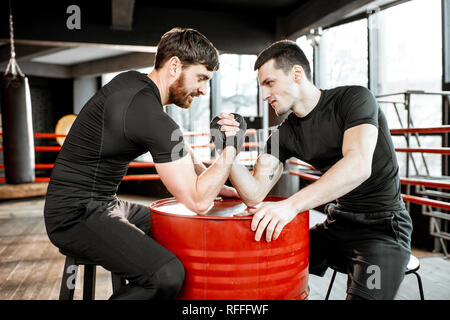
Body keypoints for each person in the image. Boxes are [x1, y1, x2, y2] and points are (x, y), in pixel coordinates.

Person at [44, 28, 246, 300]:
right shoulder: (150, 116)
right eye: (201, 78)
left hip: (105, 204)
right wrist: (231, 149)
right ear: (175, 65)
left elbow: (184, 153)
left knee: (183, 231)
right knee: (166, 276)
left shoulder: (134, 86)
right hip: (73, 214)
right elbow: (198, 202)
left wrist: (217, 183)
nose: (203, 89)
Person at [216, 40, 413, 300]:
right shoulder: (283, 135)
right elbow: (254, 193)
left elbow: (358, 165)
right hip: (338, 223)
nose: (264, 95)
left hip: (382, 228)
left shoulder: (353, 99)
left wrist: (291, 206)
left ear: (297, 73)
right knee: (260, 260)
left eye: (269, 83)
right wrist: (229, 149)